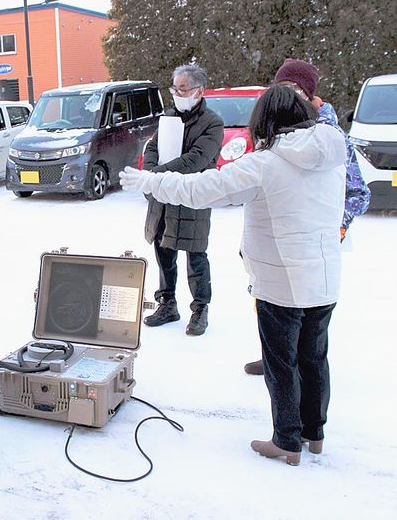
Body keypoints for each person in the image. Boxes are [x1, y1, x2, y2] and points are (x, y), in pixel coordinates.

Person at [120, 85, 346, 465]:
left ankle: (287, 441)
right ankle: (314, 433)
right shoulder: (332, 153)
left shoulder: (267, 162)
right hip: (324, 277)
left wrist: (150, 181)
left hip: (281, 280)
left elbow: (205, 188)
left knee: (281, 363)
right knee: (314, 357)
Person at [243, 58, 371, 376]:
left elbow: (358, 192)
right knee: (271, 305)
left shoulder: (329, 135)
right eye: (280, 87)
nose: (285, 95)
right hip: (273, 240)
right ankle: (277, 356)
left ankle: (300, 374)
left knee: (308, 323)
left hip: (310, 244)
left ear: (308, 92)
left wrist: (335, 226)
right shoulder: (277, 125)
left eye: (292, 88)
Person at [140, 64, 224, 336]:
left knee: (195, 254)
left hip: (192, 196)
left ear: (199, 91)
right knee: (163, 250)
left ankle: (200, 308)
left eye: (183, 89)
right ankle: (167, 303)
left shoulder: (212, 123)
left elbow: (197, 159)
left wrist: (157, 176)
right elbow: (151, 147)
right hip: (163, 197)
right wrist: (152, 175)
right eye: (174, 88)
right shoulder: (168, 117)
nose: (177, 93)